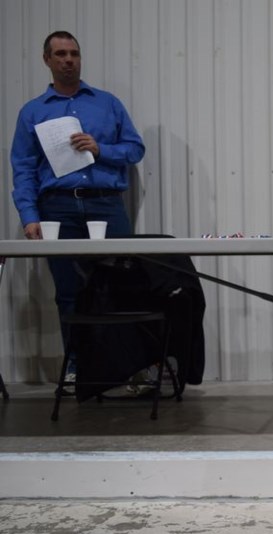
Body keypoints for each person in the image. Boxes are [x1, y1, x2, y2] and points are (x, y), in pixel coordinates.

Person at [10, 31, 146, 376]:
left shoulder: (107, 104)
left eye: (73, 53)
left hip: (106, 205)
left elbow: (135, 149)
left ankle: (125, 367)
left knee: (121, 285)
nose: (68, 60)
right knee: (69, 292)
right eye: (60, 54)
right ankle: (76, 368)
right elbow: (23, 169)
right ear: (47, 60)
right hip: (57, 209)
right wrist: (29, 216)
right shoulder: (32, 112)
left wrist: (101, 150)